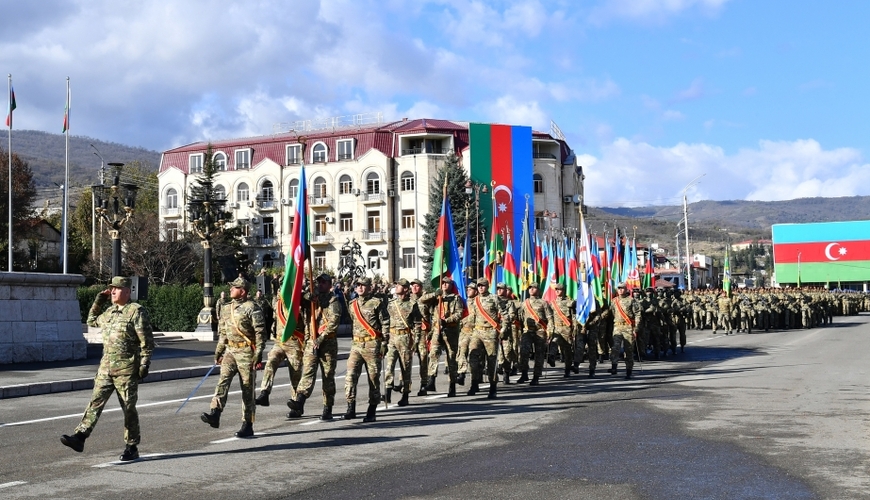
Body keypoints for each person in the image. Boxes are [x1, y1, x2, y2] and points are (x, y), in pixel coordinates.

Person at [61, 276, 155, 462]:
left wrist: (144, 364)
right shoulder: (109, 312)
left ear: (127, 292)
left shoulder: (135, 312)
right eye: (111, 289)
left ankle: (132, 446)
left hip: (126, 369)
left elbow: (147, 342)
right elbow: (91, 319)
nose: (112, 291)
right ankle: (80, 437)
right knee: (95, 402)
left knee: (128, 408)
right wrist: (99, 299)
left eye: (117, 289)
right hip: (106, 367)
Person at [200, 277, 266, 437]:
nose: (230, 290)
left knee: (247, 388)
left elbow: (260, 333)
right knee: (223, 381)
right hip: (230, 351)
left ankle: (247, 423)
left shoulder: (252, 308)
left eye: (234, 287)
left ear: (242, 291)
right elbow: (223, 333)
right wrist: (218, 352)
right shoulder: (226, 308)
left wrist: (258, 354)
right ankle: (215, 412)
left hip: (245, 353)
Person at [287, 273, 342, 420]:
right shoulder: (312, 298)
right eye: (319, 282)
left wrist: (321, 338)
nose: (321, 285)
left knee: (328, 377)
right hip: (311, 341)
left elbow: (333, 321)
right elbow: (296, 299)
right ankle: (299, 402)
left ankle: (327, 407)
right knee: (308, 373)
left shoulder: (333, 301)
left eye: (324, 282)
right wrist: (307, 296)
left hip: (327, 343)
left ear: (330, 285)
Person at [344, 277, 389, 422]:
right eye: (358, 285)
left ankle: (372, 409)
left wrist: (384, 342)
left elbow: (385, 323)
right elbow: (353, 320)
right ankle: (351, 407)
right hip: (356, 345)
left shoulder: (377, 303)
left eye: (363, 285)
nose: (360, 288)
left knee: (373, 378)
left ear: (369, 287)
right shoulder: (352, 304)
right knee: (350, 376)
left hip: (372, 344)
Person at [254, 294, 304, 409]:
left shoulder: (300, 302)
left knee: (295, 377)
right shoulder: (278, 303)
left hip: (295, 343)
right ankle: (264, 393)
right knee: (271, 361)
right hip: (280, 342)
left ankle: (296, 406)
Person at [418, 276, 465, 396]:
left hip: (451, 331)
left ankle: (452, 385)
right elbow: (422, 300)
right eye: (442, 283)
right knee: (433, 353)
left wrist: (447, 320)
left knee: (451, 358)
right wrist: (434, 294)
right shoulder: (436, 297)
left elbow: (459, 313)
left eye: (447, 283)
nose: (444, 285)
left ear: (451, 285)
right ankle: (431, 380)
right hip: (437, 331)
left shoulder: (456, 298)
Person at [384, 278, 422, 406]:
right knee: (389, 365)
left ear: (405, 289)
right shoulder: (391, 303)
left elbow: (417, 324)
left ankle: (405, 394)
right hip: (392, 337)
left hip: (405, 338)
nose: (396, 287)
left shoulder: (412, 304)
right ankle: (387, 393)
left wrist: (416, 341)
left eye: (399, 285)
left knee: (405, 368)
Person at [468, 278, 502, 398]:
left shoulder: (494, 298)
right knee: (473, 357)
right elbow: (471, 317)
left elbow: (504, 314)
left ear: (487, 286)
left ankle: (493, 387)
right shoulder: (474, 300)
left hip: (490, 332)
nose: (481, 288)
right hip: (477, 332)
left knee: (491, 360)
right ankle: (474, 383)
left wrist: (503, 329)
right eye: (479, 286)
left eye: (483, 285)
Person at [517, 282, 549, 385]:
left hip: (540, 331)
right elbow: (520, 317)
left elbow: (550, 317)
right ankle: (524, 373)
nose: (531, 289)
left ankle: (536, 376)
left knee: (539, 355)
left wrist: (550, 331)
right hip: (527, 331)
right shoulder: (524, 303)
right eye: (530, 287)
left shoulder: (543, 303)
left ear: (538, 290)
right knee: (523, 352)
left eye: (534, 288)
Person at [609, 282, 642, 379]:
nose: (620, 290)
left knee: (628, 350)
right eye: (619, 288)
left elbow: (637, 314)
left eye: (622, 288)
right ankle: (614, 367)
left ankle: (629, 371)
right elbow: (613, 313)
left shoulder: (632, 301)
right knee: (615, 348)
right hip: (617, 327)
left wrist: (636, 328)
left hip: (628, 327)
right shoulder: (614, 301)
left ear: (626, 289)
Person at [547, 283, 576, 378]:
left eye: (559, 289)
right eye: (556, 289)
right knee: (554, 342)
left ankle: (567, 369)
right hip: (556, 328)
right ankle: (551, 356)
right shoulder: (552, 303)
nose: (557, 291)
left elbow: (574, 317)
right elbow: (549, 316)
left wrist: (574, 330)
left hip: (566, 329)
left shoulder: (569, 302)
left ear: (563, 291)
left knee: (567, 350)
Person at [409, 279, 432, 395]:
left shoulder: (427, 299)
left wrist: (432, 331)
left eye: (416, 286)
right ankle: (404, 384)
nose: (414, 288)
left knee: (423, 358)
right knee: (406, 359)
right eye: (412, 286)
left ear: (421, 287)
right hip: (410, 333)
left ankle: (424, 384)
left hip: (423, 332)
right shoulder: (407, 299)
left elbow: (433, 314)